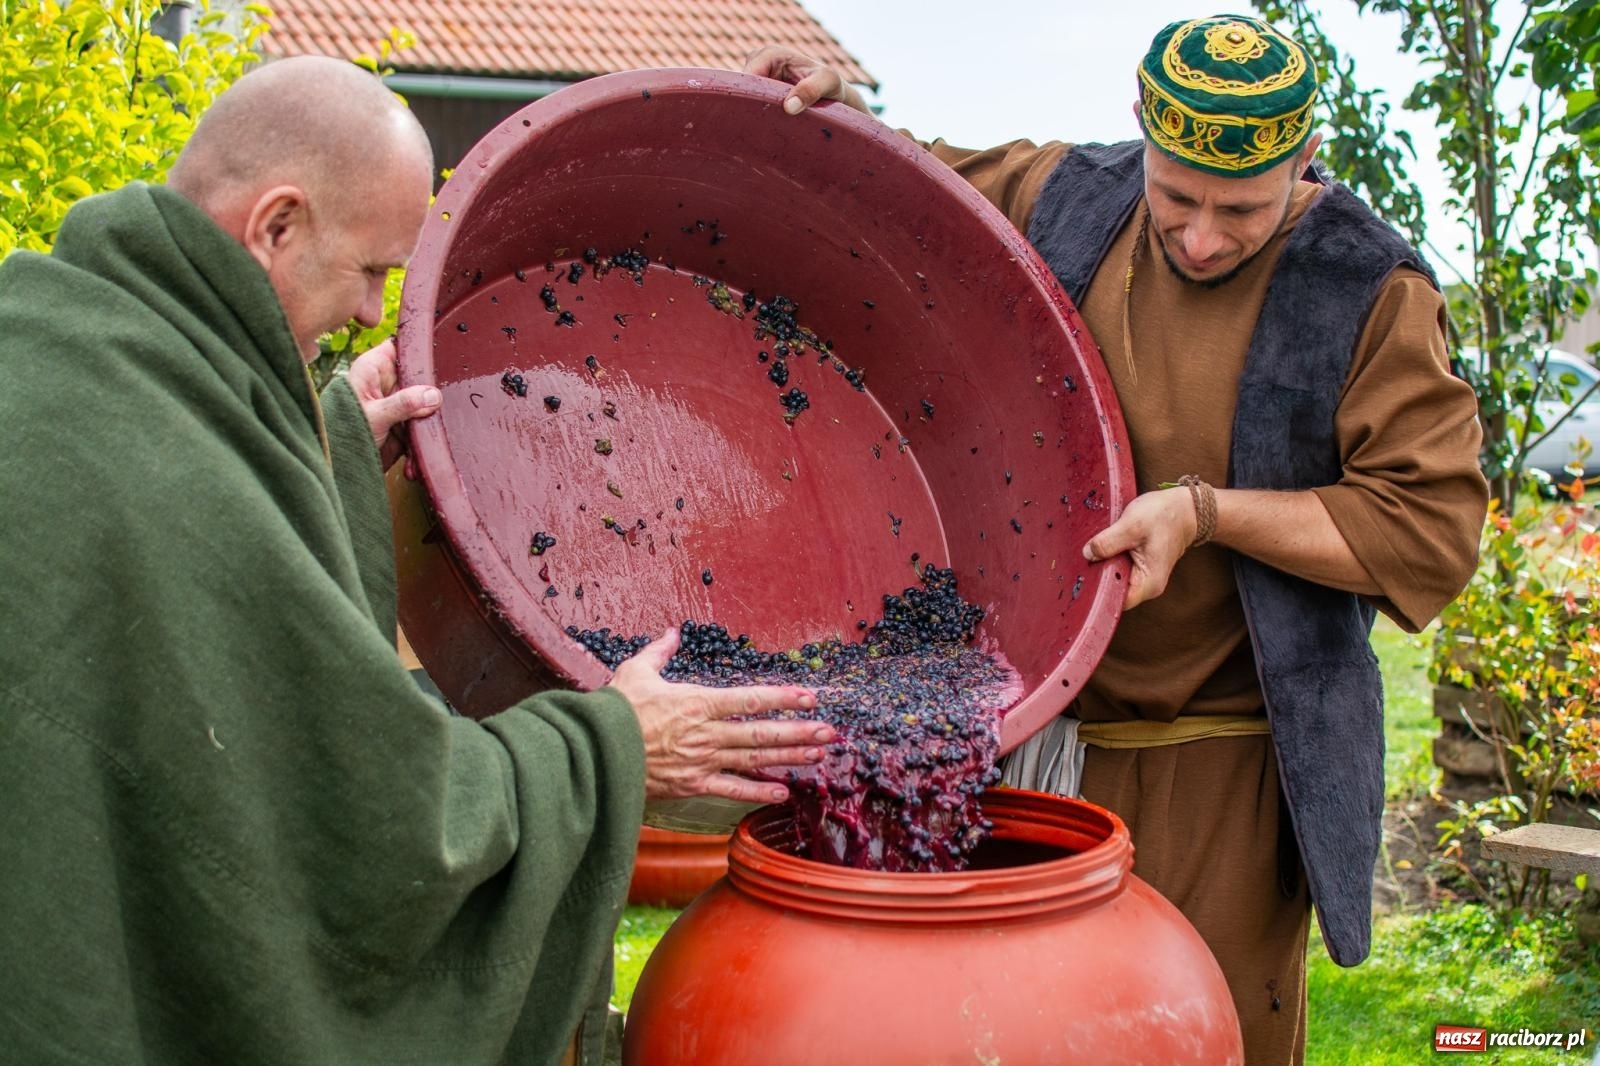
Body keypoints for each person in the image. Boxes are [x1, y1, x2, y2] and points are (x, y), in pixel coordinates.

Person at [0, 56, 834, 1066]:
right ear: (276, 225)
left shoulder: (61, 333)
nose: (369, 313)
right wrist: (613, 745)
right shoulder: (159, 465)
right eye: (368, 272)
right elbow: (370, 814)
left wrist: (329, 437)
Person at [749, 14, 1487, 1065]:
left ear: (1302, 159)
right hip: (1029, 733)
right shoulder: (1068, 190)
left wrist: (1204, 512)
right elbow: (931, 185)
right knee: (1009, 1031)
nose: (1198, 235)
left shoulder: (1371, 291)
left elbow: (1426, 526)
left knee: (1192, 1031)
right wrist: (848, 113)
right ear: (1143, 131)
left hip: (1224, 765)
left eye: (1242, 209)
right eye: (1176, 194)